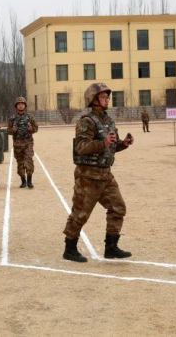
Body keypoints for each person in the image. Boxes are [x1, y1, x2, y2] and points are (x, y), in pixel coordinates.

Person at [62, 83, 134, 263]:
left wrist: (123, 144)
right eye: (103, 97)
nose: (107, 100)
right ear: (93, 100)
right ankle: (69, 249)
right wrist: (103, 143)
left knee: (118, 208)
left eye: (107, 97)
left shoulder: (108, 121)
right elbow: (81, 147)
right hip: (88, 177)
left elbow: (111, 147)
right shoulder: (87, 121)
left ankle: (111, 247)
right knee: (80, 214)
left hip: (105, 176)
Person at [8, 96, 38, 189]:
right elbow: (8, 131)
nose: (20, 106)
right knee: (20, 163)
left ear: (25, 105)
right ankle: (23, 181)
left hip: (28, 143)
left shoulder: (30, 117)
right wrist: (13, 130)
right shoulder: (12, 118)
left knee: (28, 161)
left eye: (22, 104)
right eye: (19, 104)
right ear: (16, 106)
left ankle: (29, 181)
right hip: (17, 144)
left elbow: (36, 128)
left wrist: (31, 129)